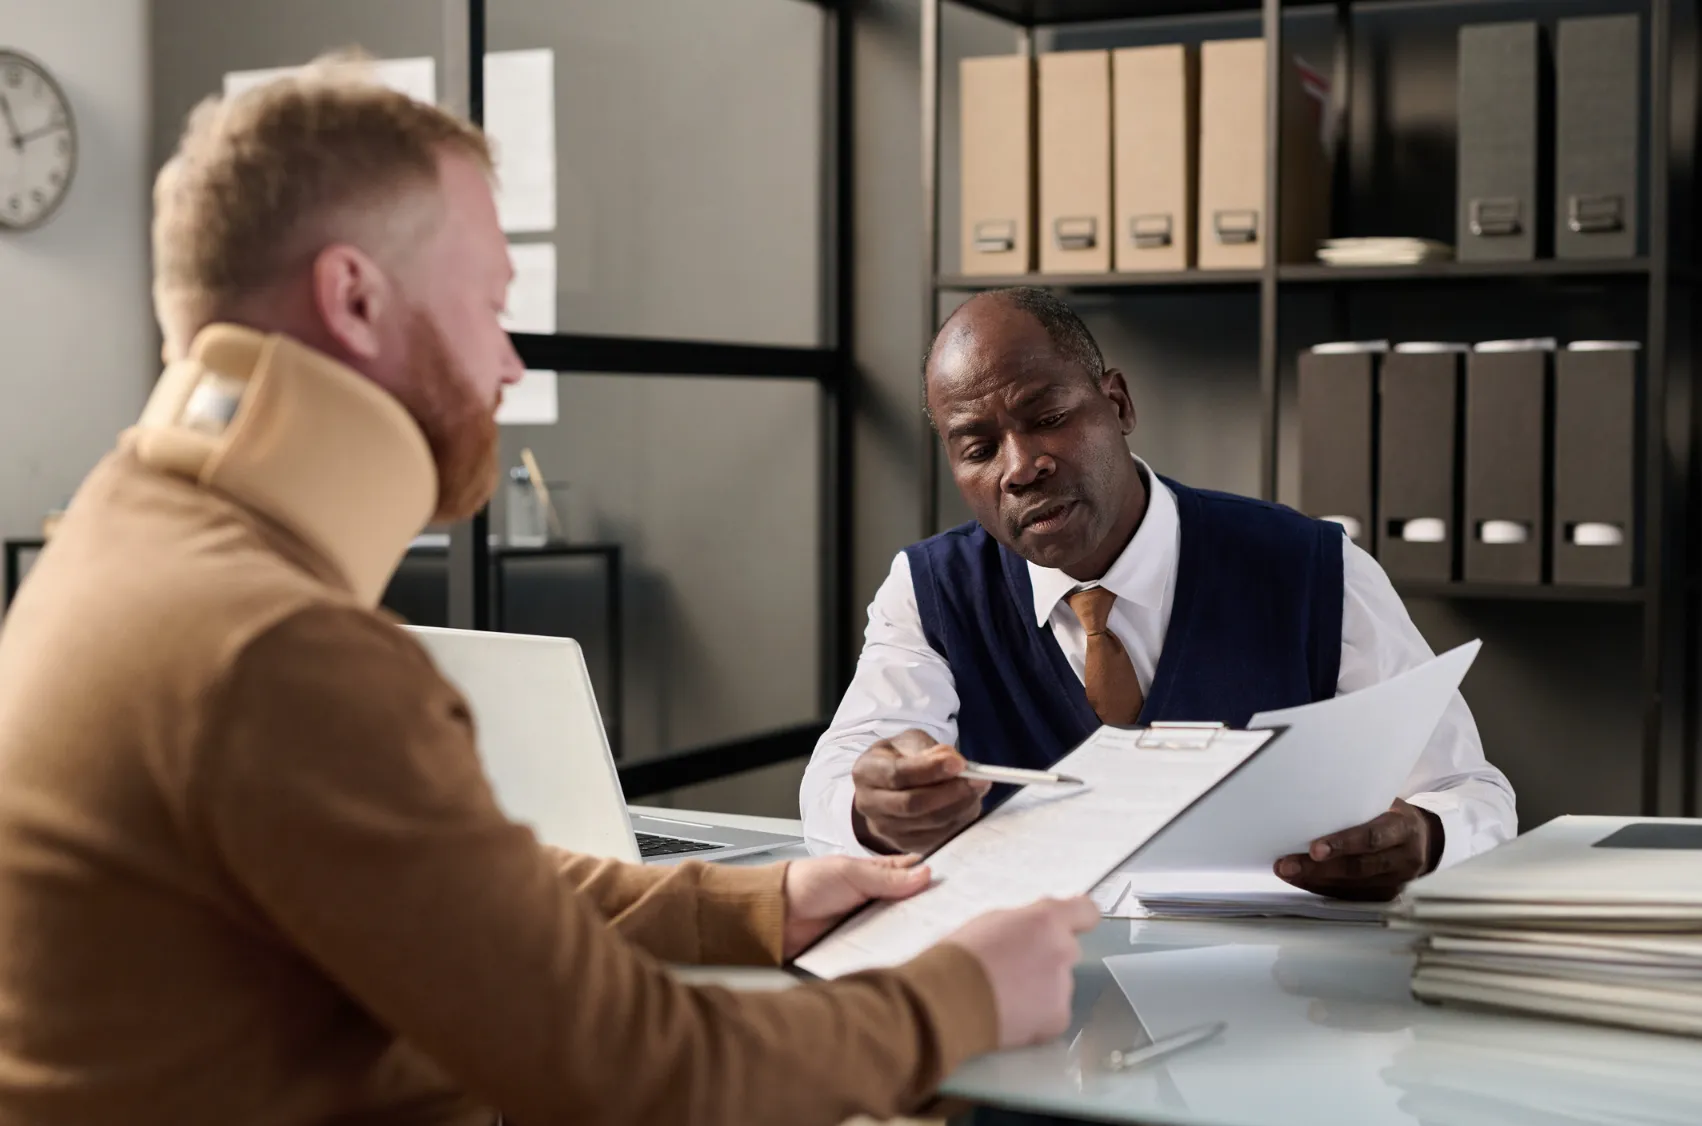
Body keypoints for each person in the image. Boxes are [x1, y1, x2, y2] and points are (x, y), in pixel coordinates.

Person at [0, 61, 1100, 1126]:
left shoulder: (120, 539)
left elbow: (435, 894)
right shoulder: (272, 647)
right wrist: (959, 995)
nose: (508, 363)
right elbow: (641, 1075)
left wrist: (754, 902)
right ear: (353, 298)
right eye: (487, 303)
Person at [801, 287, 1517, 901]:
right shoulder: (930, 592)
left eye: (1047, 416)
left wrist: (1426, 837)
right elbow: (835, 783)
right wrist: (874, 809)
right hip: (1040, 1000)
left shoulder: (1314, 567)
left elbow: (1469, 792)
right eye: (979, 448)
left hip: (1272, 1002)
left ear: (1117, 403)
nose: (1022, 468)